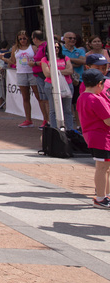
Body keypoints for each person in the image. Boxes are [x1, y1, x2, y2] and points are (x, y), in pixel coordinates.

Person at [77, 68, 110, 209]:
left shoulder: (82, 97)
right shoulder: (96, 99)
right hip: (101, 137)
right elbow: (108, 120)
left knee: (105, 168)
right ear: (99, 84)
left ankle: (105, 195)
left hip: (93, 135)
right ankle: (101, 197)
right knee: (102, 168)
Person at [3, 30, 39, 128]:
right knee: (25, 97)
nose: (22, 40)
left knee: (39, 96)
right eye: (20, 39)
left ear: (28, 38)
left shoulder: (33, 48)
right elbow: (13, 61)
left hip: (32, 73)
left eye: (24, 38)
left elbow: (38, 59)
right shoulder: (15, 48)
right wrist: (3, 59)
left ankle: (45, 119)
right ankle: (28, 119)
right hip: (21, 73)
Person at [40, 41, 75, 130]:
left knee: (67, 109)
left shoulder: (65, 58)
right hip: (51, 85)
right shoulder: (45, 59)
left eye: (58, 47)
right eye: (54, 47)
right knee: (53, 110)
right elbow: (47, 74)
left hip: (67, 85)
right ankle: (54, 130)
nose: (56, 49)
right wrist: (62, 71)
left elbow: (70, 71)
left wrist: (55, 72)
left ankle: (69, 130)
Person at [28, 30, 51, 126]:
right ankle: (46, 120)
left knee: (47, 99)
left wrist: (34, 63)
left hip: (43, 75)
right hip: (38, 75)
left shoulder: (46, 47)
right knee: (43, 99)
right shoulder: (39, 47)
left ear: (35, 39)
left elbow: (48, 60)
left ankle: (50, 121)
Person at [63, 32, 87, 113]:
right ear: (64, 39)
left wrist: (68, 59)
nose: (72, 40)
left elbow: (83, 61)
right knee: (67, 103)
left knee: (78, 102)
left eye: (74, 38)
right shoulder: (60, 50)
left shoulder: (80, 50)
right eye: (70, 38)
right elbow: (61, 64)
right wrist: (75, 63)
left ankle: (78, 124)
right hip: (65, 80)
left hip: (78, 80)